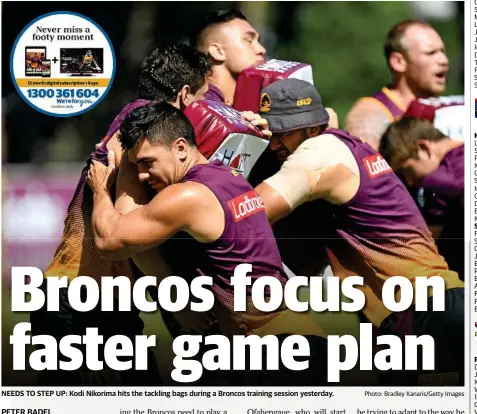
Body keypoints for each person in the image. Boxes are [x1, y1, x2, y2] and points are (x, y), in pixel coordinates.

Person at [88, 101, 328, 386]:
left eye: (147, 162)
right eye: (136, 164)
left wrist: (102, 189)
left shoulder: (189, 196)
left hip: (275, 353)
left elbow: (111, 239)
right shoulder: (228, 177)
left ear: (180, 147)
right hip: (294, 344)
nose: (142, 174)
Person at [255, 78, 464, 385]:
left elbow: (246, 214)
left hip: (424, 314)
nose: (274, 143)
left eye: (283, 132)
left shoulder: (318, 151)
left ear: (312, 127)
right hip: (432, 307)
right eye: (271, 132)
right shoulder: (345, 143)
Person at [30, 43, 211, 386]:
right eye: (203, 98)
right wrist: (178, 304)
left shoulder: (135, 121)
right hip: (81, 299)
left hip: (94, 300)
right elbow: (132, 236)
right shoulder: (138, 137)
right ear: (185, 95)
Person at [379, 117, 464, 281]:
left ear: (423, 148)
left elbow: (424, 246)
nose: (410, 182)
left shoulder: (441, 180)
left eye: (406, 170)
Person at [345, 20, 449, 150]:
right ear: (399, 62)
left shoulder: (448, 108)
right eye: (431, 53)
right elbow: (362, 168)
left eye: (442, 52)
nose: (444, 60)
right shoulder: (371, 114)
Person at [190, 8, 266, 105]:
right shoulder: (204, 107)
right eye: (249, 41)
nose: (262, 50)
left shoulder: (245, 102)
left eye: (258, 41)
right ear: (217, 51)